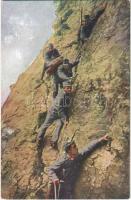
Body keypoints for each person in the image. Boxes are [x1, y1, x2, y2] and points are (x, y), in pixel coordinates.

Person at [47, 134, 110, 199]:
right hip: (61, 188)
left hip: (70, 187)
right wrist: (54, 178)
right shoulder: (63, 160)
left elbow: (88, 148)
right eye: (74, 147)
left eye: (75, 146)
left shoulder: (78, 156)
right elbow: (50, 169)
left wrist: (100, 139)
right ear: (69, 151)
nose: (76, 148)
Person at [37, 81, 73, 158]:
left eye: (70, 87)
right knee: (45, 125)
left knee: (59, 125)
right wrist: (65, 119)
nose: (69, 89)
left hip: (59, 113)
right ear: (64, 88)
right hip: (53, 113)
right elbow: (60, 109)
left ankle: (53, 141)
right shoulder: (62, 95)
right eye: (68, 88)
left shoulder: (65, 92)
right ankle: (39, 139)